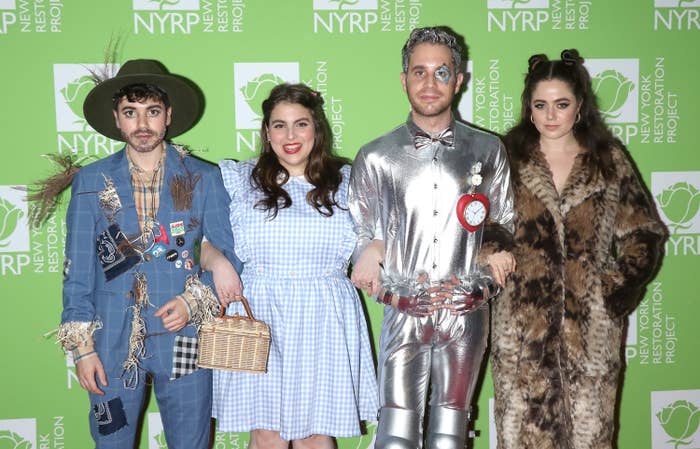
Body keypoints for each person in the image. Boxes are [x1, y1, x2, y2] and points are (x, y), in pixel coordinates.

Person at [57, 59, 242, 449]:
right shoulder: (91, 182)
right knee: (111, 442)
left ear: (168, 116)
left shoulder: (202, 177)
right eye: (131, 113)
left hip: (185, 337)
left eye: (152, 112)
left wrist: (195, 301)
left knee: (191, 443)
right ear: (117, 119)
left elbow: (227, 254)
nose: (142, 124)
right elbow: (77, 273)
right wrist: (82, 349)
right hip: (109, 343)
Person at [491, 49, 668, 449]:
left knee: (589, 438)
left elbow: (646, 232)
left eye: (561, 104)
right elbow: (481, 227)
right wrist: (494, 260)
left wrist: (612, 287)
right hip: (521, 331)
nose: (551, 115)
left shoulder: (608, 161)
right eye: (541, 105)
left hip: (589, 335)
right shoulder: (505, 161)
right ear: (529, 110)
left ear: (580, 107)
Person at [349, 27, 515, 449]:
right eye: (419, 72)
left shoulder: (488, 150)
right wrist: (395, 296)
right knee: (396, 435)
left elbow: (504, 230)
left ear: (458, 81)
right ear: (403, 79)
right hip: (403, 314)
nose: (429, 83)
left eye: (441, 73)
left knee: (450, 435)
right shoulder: (376, 156)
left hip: (467, 315)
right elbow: (362, 239)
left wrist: (478, 291)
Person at [203, 83, 378, 449]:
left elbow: (397, 222)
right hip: (260, 313)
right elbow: (199, 239)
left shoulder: (348, 181)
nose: (290, 135)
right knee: (267, 433)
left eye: (300, 124)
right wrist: (217, 261)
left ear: (317, 128)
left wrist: (377, 247)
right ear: (267, 133)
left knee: (316, 434)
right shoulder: (239, 179)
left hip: (324, 314)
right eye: (279, 125)